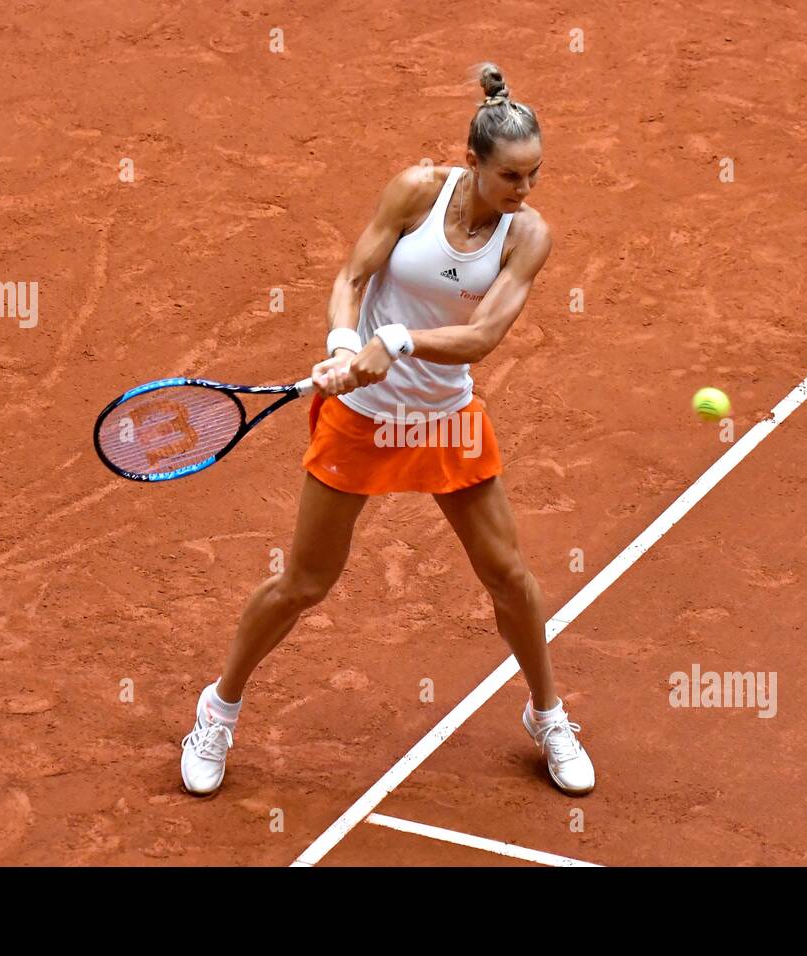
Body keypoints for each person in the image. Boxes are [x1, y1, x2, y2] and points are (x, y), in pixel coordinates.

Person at [181, 62, 594, 798]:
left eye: (534, 176)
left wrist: (397, 342)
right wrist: (346, 345)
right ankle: (217, 710)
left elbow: (481, 338)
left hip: (442, 417)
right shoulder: (415, 192)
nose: (524, 192)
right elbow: (351, 277)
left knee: (509, 577)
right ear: (472, 163)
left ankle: (547, 713)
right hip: (364, 416)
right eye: (510, 177)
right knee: (304, 583)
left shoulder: (528, 235)